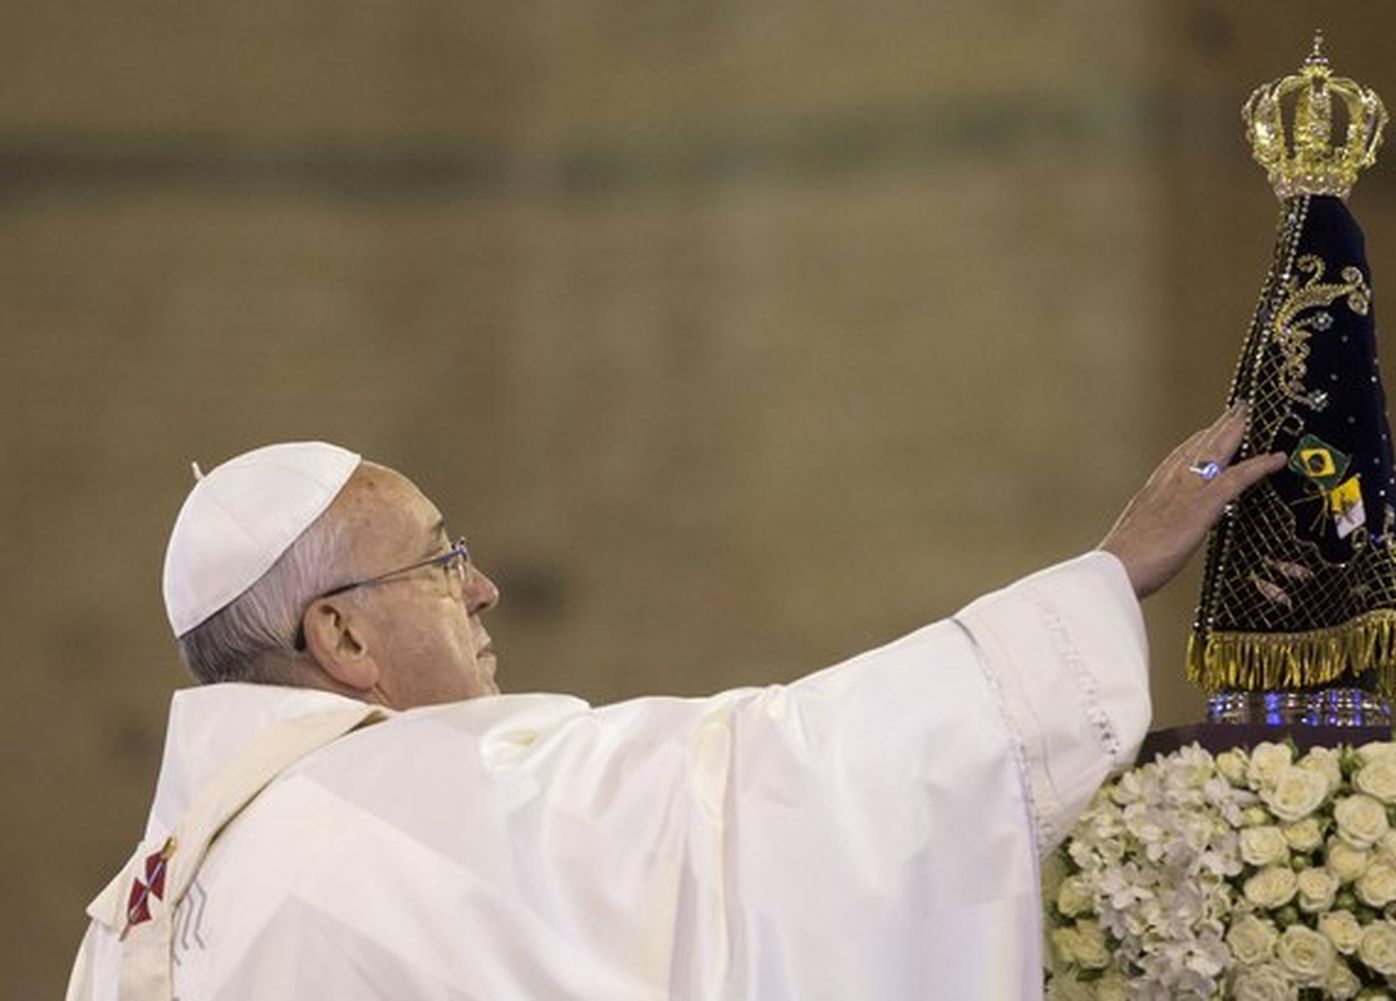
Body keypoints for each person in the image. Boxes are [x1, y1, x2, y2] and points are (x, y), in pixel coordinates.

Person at [67, 405, 1282, 1000]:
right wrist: (1098, 585)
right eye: (440, 562)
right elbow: (751, 784)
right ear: (340, 636)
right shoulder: (415, 798)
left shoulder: (137, 911)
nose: (481, 588)